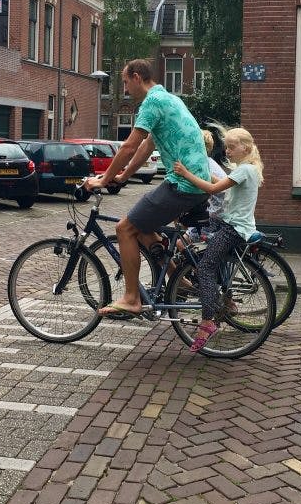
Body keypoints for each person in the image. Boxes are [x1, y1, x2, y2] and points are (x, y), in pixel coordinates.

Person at [87, 59, 210, 317]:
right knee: (142, 227)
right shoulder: (168, 99)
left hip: (183, 183)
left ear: (136, 77)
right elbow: (147, 147)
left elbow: (130, 146)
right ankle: (180, 281)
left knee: (124, 228)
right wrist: (122, 175)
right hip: (195, 181)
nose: (125, 88)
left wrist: (103, 179)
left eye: (125, 82)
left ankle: (132, 299)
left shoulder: (152, 103)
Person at [172, 127, 264, 352]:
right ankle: (215, 300)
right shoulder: (246, 169)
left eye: (232, 147)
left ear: (246, 147)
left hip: (233, 229)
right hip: (228, 225)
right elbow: (216, 182)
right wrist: (197, 170)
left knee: (205, 268)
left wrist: (186, 174)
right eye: (227, 146)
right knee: (197, 252)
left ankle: (208, 320)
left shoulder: (244, 171)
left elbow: (213, 188)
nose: (228, 151)